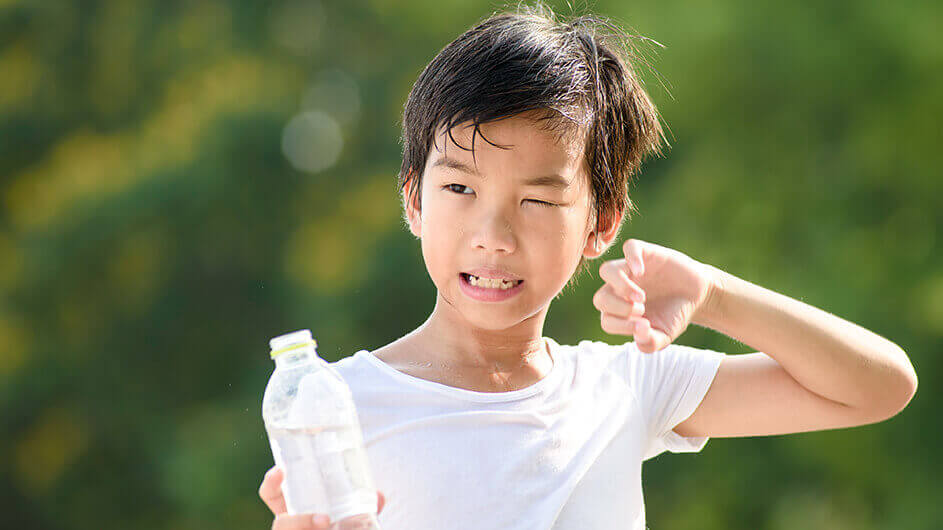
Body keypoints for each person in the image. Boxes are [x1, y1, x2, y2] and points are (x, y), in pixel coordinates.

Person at [258, 3, 918, 529]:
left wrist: (711, 293)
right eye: (460, 189)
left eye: (538, 199)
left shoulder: (624, 387)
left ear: (600, 222)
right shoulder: (336, 405)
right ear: (413, 200)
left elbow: (877, 386)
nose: (493, 236)